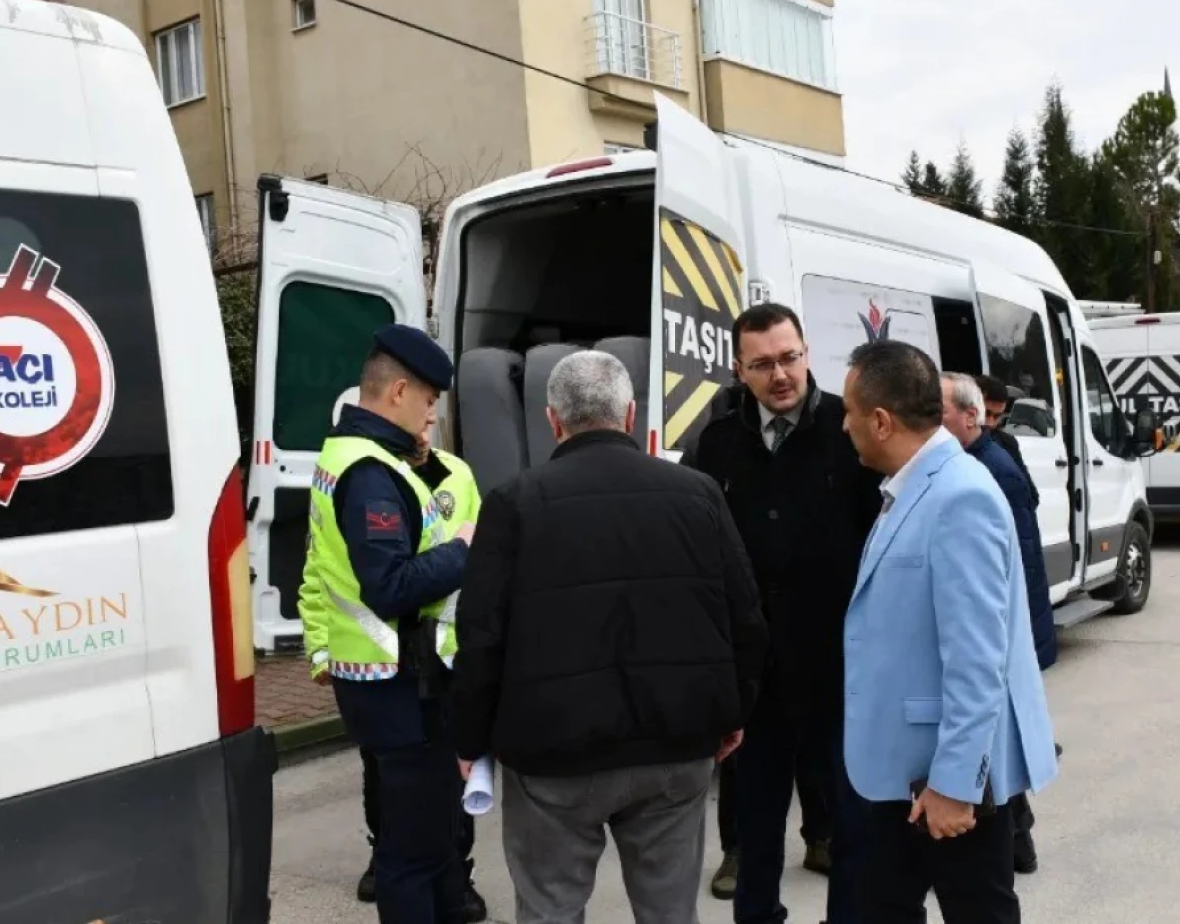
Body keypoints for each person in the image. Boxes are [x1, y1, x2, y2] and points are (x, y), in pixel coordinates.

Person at [451, 350, 769, 924]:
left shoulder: (513, 503)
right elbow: (745, 615)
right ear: (629, 415)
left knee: (549, 909)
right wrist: (733, 711)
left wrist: (471, 740)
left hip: (553, 756)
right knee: (671, 912)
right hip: (676, 746)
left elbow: (480, 636)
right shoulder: (698, 495)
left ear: (553, 420)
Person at [840, 340, 1058, 924]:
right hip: (901, 770)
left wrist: (956, 785)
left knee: (977, 910)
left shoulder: (959, 495)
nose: (844, 425)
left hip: (940, 777)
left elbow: (978, 658)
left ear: (881, 421)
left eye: (850, 413)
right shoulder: (915, 485)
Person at [681, 303, 881, 924]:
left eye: (789, 357)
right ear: (739, 370)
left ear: (807, 352)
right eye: (763, 364)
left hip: (836, 668)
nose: (780, 375)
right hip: (756, 675)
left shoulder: (848, 435)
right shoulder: (717, 444)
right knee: (755, 822)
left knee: (850, 822)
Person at [298, 324, 480, 924]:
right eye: (429, 401)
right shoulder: (371, 474)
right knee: (415, 855)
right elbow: (390, 586)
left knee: (433, 843)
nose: (431, 416)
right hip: (401, 689)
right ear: (399, 391)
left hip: (391, 681)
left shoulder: (356, 457)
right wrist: (464, 549)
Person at [352, 424, 489, 922]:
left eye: (433, 419)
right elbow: (323, 574)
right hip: (385, 660)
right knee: (386, 780)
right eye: (420, 415)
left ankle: (458, 871)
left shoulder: (458, 475)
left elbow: (481, 555)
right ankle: (383, 848)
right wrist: (322, 651)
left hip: (448, 652)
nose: (424, 428)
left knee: (456, 773)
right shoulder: (373, 479)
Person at [941, 371, 1056, 876]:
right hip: (1008, 637)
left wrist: (1021, 644)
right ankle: (1017, 839)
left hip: (1007, 636)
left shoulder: (993, 471)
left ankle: (1017, 841)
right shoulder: (975, 462)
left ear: (972, 417)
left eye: (938, 411)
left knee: (994, 750)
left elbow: (1020, 567)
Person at [974, 373, 1037, 507]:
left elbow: (1030, 496)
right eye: (986, 414)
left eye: (997, 416)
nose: (990, 423)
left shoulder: (1006, 443)